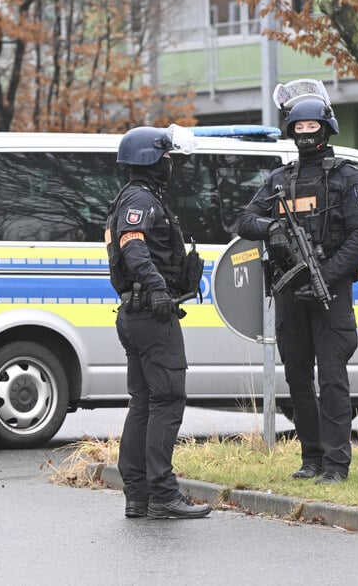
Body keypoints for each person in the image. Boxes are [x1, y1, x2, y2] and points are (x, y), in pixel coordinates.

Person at [235, 99, 358, 484]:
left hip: (329, 291)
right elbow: (244, 219)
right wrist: (273, 229)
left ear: (326, 130)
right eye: (299, 129)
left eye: (312, 128)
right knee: (298, 376)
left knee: (332, 378)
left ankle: (335, 463)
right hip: (290, 290)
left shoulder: (348, 178)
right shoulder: (280, 180)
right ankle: (310, 457)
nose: (305, 136)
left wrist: (327, 275)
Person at [105, 124, 211, 519]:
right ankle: (163, 494)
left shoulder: (130, 197)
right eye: (167, 157)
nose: (170, 164)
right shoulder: (140, 201)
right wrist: (158, 288)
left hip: (136, 314)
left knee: (145, 403)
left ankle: (138, 495)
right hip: (151, 314)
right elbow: (133, 248)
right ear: (151, 159)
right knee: (167, 400)